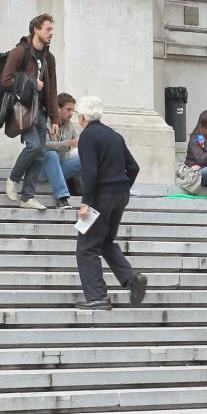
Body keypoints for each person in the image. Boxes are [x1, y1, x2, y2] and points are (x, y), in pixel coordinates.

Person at [75, 95, 147, 310]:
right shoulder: (114, 135)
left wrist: (85, 202)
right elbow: (133, 167)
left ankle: (97, 297)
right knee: (105, 242)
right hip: (120, 195)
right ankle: (131, 279)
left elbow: (90, 172)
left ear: (81, 117)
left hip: (100, 197)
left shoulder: (88, 136)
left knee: (86, 249)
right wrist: (123, 187)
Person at [3, 14, 59, 210]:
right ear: (36, 29)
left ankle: (27, 197)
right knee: (34, 146)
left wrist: (55, 118)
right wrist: (32, 83)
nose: (51, 33)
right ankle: (13, 178)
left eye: (52, 29)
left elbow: (52, 90)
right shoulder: (20, 52)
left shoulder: (49, 58)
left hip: (41, 110)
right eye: (48, 29)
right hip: (23, 108)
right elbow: (7, 80)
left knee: (42, 153)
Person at [40, 92, 81, 209]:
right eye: (68, 109)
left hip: (60, 167)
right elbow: (44, 145)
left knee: (86, 158)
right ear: (58, 108)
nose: (71, 113)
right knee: (51, 154)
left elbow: (77, 143)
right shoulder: (45, 122)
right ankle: (62, 198)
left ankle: (90, 194)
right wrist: (67, 144)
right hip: (40, 170)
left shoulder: (70, 126)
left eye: (73, 110)